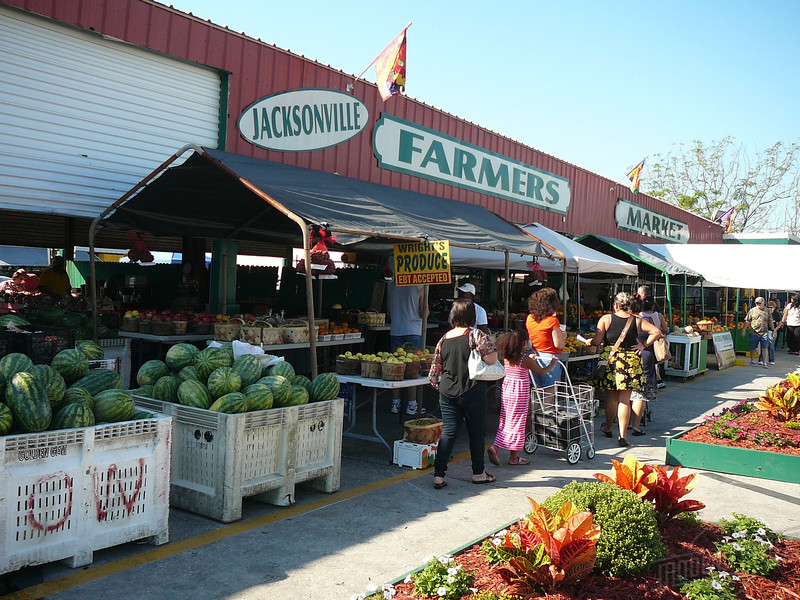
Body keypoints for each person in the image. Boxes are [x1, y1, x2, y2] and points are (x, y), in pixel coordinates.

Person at [427, 298, 498, 489]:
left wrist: (443, 389)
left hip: (447, 391)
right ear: (471, 316)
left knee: (448, 433)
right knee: (476, 433)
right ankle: (478, 474)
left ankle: (438, 476)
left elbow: (434, 373)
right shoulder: (477, 335)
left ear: (453, 315)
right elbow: (492, 359)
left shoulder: (444, 338)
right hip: (472, 390)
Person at [590, 292, 662, 447]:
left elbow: (597, 341)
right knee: (624, 400)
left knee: (611, 398)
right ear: (628, 305)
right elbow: (657, 332)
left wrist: (589, 341)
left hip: (612, 361)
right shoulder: (636, 320)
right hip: (630, 362)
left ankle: (608, 427)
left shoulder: (606, 319)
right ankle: (622, 436)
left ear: (616, 305)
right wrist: (643, 345)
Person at [486, 327, 557, 467]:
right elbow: (542, 372)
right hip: (520, 394)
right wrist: (553, 364)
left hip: (507, 391)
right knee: (519, 422)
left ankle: (498, 448)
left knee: (506, 420)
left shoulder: (507, 357)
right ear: (524, 343)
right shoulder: (525, 360)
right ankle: (510, 455)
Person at [387, 281, 428, 414]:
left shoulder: (393, 284)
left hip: (396, 330)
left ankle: (395, 403)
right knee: (413, 369)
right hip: (413, 330)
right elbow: (424, 313)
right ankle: (412, 405)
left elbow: (388, 310)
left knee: (395, 368)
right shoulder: (419, 286)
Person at [629, 295, 664, 434]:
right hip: (645, 357)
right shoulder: (644, 321)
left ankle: (625, 423)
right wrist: (644, 345)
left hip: (628, 358)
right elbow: (658, 332)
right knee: (640, 394)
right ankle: (636, 425)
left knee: (627, 393)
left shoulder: (625, 320)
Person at [525, 287, 565, 387]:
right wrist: (563, 336)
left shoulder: (530, 318)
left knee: (537, 391)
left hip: (534, 356)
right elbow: (559, 344)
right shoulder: (552, 320)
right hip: (550, 357)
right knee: (549, 392)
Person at [742, 297, 773, 368]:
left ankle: (765, 363)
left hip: (764, 332)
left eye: (759, 303)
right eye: (756, 303)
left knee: (765, 347)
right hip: (754, 332)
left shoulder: (767, 311)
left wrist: (773, 330)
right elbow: (747, 320)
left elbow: (770, 321)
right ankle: (752, 360)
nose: (758, 304)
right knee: (752, 347)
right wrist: (744, 329)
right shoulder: (752, 310)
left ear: (763, 303)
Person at [767, 300, 782, 365]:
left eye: (771, 307)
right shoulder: (766, 313)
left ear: (774, 308)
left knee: (771, 346)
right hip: (765, 330)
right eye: (769, 307)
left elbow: (780, 323)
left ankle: (771, 359)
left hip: (772, 331)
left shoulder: (776, 314)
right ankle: (761, 359)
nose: (770, 309)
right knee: (764, 346)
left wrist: (775, 329)